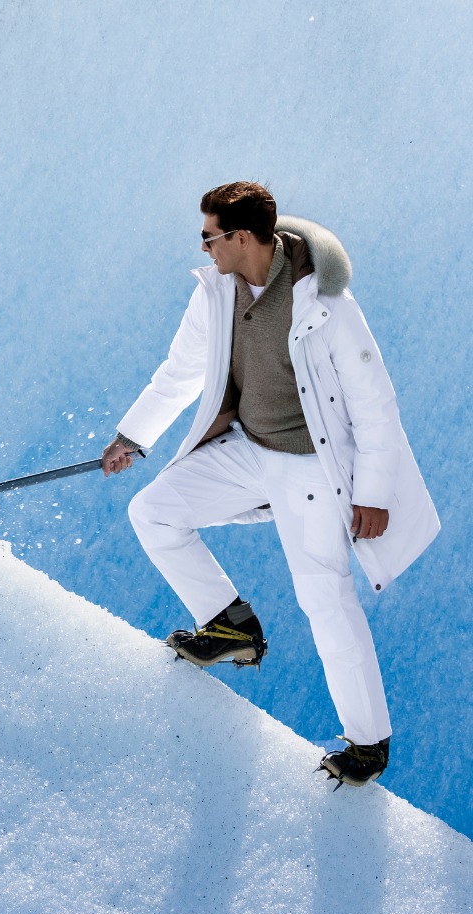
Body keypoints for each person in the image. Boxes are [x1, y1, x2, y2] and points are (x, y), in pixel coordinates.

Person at [103, 182, 438, 787]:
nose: (203, 247)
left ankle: (367, 744)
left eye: (210, 236)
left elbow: (374, 402)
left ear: (240, 237)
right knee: (154, 511)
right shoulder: (215, 293)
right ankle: (231, 625)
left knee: (324, 599)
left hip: (312, 468)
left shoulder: (324, 301)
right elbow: (180, 371)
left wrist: (373, 492)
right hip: (248, 450)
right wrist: (133, 436)